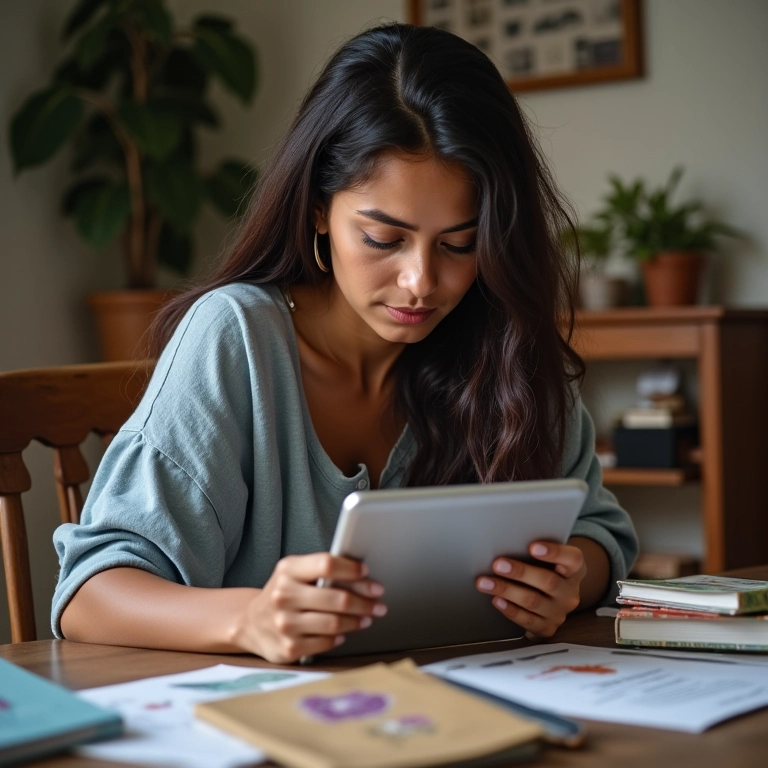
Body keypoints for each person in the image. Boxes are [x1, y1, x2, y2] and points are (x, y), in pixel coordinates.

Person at [53, 23, 638, 664]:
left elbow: (601, 530)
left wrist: (570, 577)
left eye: (459, 243)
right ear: (317, 214)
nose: (421, 282)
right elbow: (89, 595)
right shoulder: (237, 338)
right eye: (384, 239)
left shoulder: (503, 345)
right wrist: (247, 619)